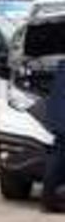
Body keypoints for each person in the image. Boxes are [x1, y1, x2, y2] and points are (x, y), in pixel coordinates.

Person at [44, 67, 65, 212]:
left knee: (58, 156)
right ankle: (51, 200)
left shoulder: (61, 69)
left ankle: (50, 199)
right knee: (58, 158)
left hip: (59, 121)